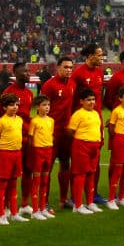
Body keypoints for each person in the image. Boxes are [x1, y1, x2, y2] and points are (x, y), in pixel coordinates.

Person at [71, 44, 106, 204]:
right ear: (90, 56)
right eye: (99, 55)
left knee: (95, 161)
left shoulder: (99, 72)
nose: (102, 58)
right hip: (82, 123)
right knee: (79, 164)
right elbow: (72, 98)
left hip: (96, 121)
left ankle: (93, 194)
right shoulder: (78, 73)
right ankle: (75, 197)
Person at [0, 62, 35, 215]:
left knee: (28, 170)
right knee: (10, 175)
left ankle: (24, 204)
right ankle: (7, 206)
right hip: (13, 140)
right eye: (24, 71)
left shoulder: (29, 93)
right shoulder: (8, 93)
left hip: (27, 138)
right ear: (15, 73)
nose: (27, 73)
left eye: (28, 71)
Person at [40, 56, 75, 210]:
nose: (68, 70)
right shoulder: (49, 85)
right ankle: (44, 202)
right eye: (65, 67)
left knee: (65, 164)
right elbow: (42, 109)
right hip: (51, 133)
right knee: (47, 167)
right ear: (58, 68)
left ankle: (63, 199)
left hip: (66, 133)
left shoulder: (72, 84)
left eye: (70, 68)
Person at [0, 94, 26, 225]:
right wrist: (1, 150)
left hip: (17, 154)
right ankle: (1, 215)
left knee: (14, 184)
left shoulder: (19, 120)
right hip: (6, 155)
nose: (15, 107)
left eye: (17, 104)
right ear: (5, 107)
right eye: (12, 105)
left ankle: (14, 213)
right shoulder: (1, 121)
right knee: (3, 184)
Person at [66, 87, 102, 215]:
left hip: (94, 146)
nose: (92, 102)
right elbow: (70, 131)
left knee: (91, 174)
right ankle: (78, 205)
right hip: (82, 145)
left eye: (93, 100)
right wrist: (80, 141)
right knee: (80, 175)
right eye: (88, 100)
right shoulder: (78, 114)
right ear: (81, 101)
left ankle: (90, 202)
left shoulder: (96, 113)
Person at [27, 94, 55, 219]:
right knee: (37, 181)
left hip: (48, 150)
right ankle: (35, 210)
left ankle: (43, 208)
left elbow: (51, 135)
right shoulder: (34, 121)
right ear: (37, 107)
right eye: (44, 105)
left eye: (48, 105)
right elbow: (30, 138)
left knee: (45, 180)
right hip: (38, 151)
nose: (47, 107)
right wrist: (31, 152)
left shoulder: (51, 121)